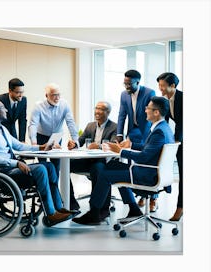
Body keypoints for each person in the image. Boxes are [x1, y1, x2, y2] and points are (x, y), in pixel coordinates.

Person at [72, 96, 174, 225]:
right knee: (112, 165)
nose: (145, 110)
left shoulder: (158, 131)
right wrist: (130, 145)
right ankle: (134, 209)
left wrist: (119, 151)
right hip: (152, 171)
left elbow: (143, 156)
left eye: (148, 108)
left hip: (147, 174)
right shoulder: (164, 128)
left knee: (104, 174)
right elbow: (149, 149)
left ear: (156, 112)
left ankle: (95, 213)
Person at [0, 99, 76, 226]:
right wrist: (16, 163)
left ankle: (58, 208)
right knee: (40, 169)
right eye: (3, 108)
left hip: (10, 169)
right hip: (3, 173)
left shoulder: (1, 128)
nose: (6, 110)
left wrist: (41, 147)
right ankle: (51, 214)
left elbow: (18, 146)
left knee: (50, 166)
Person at [116, 69, 158, 211]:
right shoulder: (124, 95)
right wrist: (119, 134)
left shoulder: (149, 93)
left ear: (137, 82)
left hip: (146, 131)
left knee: (147, 161)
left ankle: (152, 198)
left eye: (129, 84)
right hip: (133, 130)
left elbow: (152, 115)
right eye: (125, 83)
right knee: (130, 162)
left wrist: (150, 136)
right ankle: (138, 192)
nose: (126, 86)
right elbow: (122, 115)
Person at [67, 101, 117, 217]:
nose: (97, 112)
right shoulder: (90, 125)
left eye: (101, 109)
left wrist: (99, 146)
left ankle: (101, 208)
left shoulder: (114, 127)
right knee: (65, 165)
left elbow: (114, 145)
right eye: (96, 108)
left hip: (103, 161)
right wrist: (74, 144)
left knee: (98, 170)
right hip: (88, 159)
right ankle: (71, 203)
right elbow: (81, 140)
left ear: (108, 112)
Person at [28, 83, 79, 175]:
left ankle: (54, 187)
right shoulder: (38, 106)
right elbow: (33, 124)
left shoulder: (64, 104)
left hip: (56, 136)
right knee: (42, 165)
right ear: (46, 95)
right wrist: (34, 142)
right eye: (54, 95)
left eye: (58, 94)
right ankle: (45, 186)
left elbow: (70, 123)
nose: (57, 98)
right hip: (41, 136)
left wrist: (75, 141)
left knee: (56, 165)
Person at [157, 72, 183, 221]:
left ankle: (180, 207)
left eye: (163, 86)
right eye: (159, 85)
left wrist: (176, 140)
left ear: (172, 86)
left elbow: (183, 123)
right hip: (178, 140)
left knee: (183, 176)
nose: (160, 89)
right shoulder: (166, 100)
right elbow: (164, 123)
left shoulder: (183, 98)